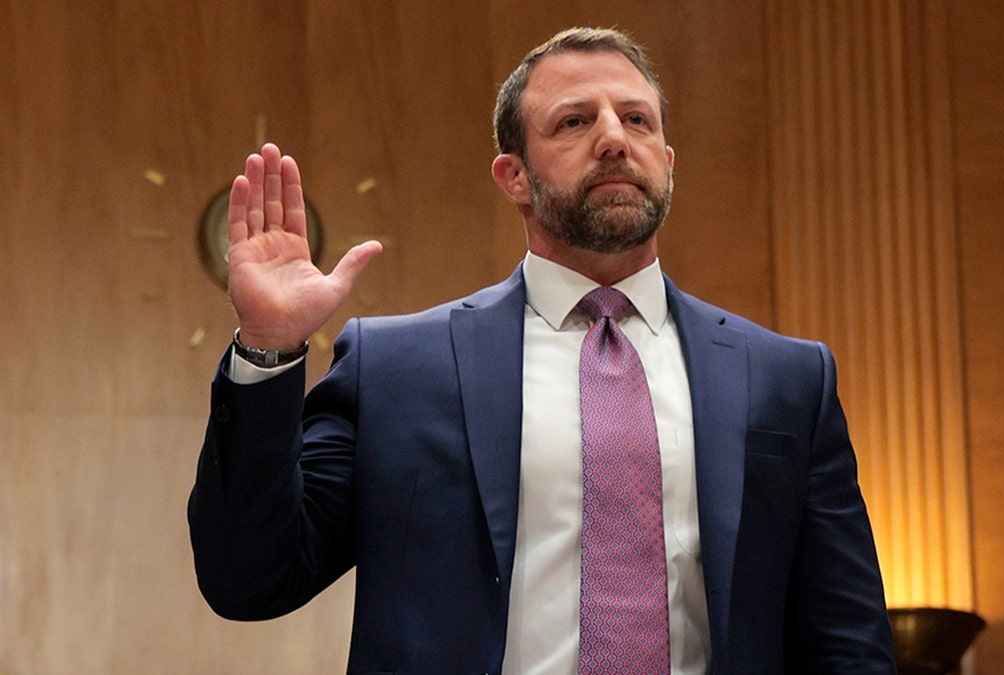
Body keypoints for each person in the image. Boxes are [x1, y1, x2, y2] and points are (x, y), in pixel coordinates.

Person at [188, 27, 895, 674]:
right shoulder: (398, 370)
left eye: (637, 119)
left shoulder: (787, 378)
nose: (614, 138)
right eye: (575, 121)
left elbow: (846, 639)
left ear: (668, 163)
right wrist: (269, 349)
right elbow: (249, 578)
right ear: (514, 177)